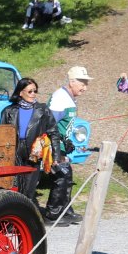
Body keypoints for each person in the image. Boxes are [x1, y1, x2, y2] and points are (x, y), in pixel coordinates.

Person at [0, 78, 60, 204]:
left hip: (34, 152)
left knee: (29, 189)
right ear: (20, 93)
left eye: (35, 91)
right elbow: (1, 134)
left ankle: (26, 211)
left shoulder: (43, 110)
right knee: (14, 187)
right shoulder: (9, 111)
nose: (33, 94)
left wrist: (56, 156)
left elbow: (54, 132)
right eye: (30, 91)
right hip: (14, 152)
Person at [44, 66, 90, 225]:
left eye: (86, 83)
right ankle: (52, 214)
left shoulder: (69, 97)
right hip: (54, 145)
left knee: (67, 176)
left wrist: (67, 141)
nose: (85, 87)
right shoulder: (60, 98)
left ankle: (65, 211)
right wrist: (56, 148)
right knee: (61, 176)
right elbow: (49, 124)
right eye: (82, 83)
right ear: (72, 82)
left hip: (62, 144)